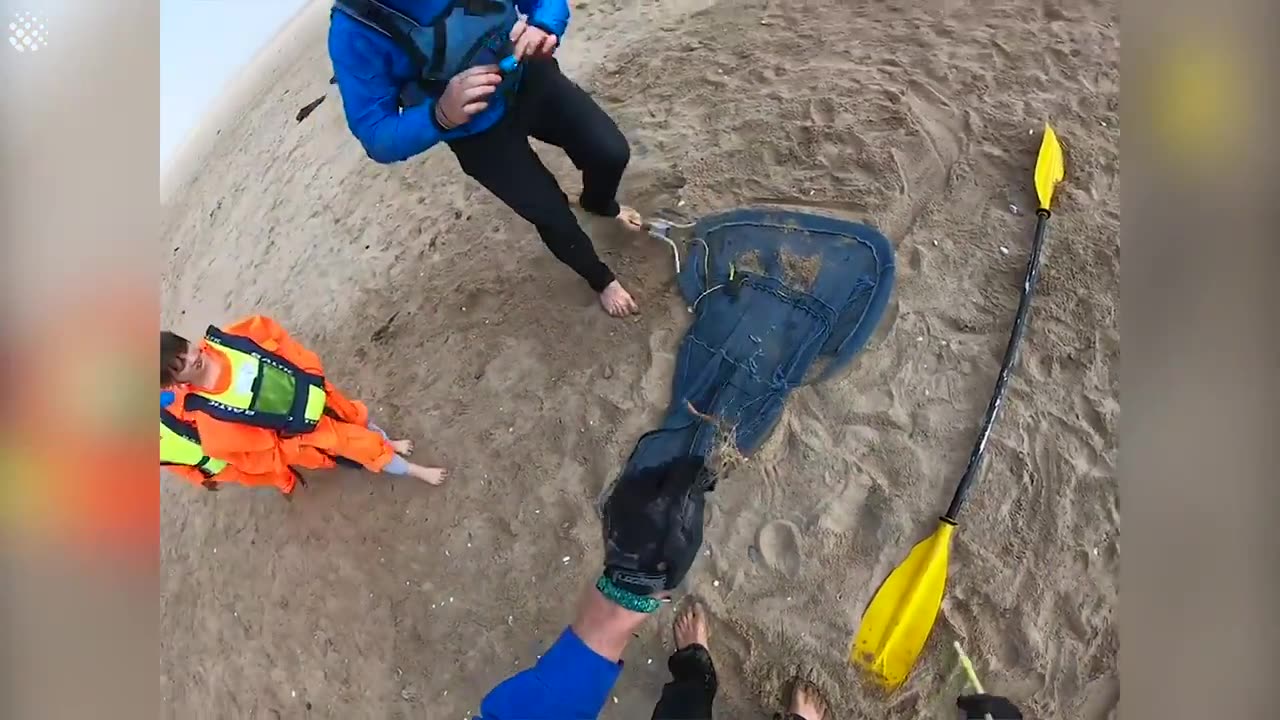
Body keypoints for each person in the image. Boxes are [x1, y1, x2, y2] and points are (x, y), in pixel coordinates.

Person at [328, 0, 645, 317]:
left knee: (611, 153)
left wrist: (544, 26)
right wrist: (439, 116)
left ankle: (599, 205)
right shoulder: (354, 29)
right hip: (473, 132)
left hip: (528, 75)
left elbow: (544, 4)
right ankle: (601, 281)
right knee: (550, 213)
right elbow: (374, 132)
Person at [160, 315, 447, 494]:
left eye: (184, 350)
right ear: (172, 383)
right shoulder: (211, 422)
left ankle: (391, 442)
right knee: (366, 448)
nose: (190, 359)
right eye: (179, 365)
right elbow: (254, 454)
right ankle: (414, 470)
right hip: (309, 431)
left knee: (359, 419)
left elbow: (279, 340)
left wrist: (311, 372)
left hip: (321, 395)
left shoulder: (232, 338)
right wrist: (299, 448)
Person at [161, 386, 301, 494]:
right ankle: (283, 480)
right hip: (215, 467)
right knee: (248, 478)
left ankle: (286, 473)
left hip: (224, 445)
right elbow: (173, 463)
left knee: (261, 461)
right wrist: (199, 478)